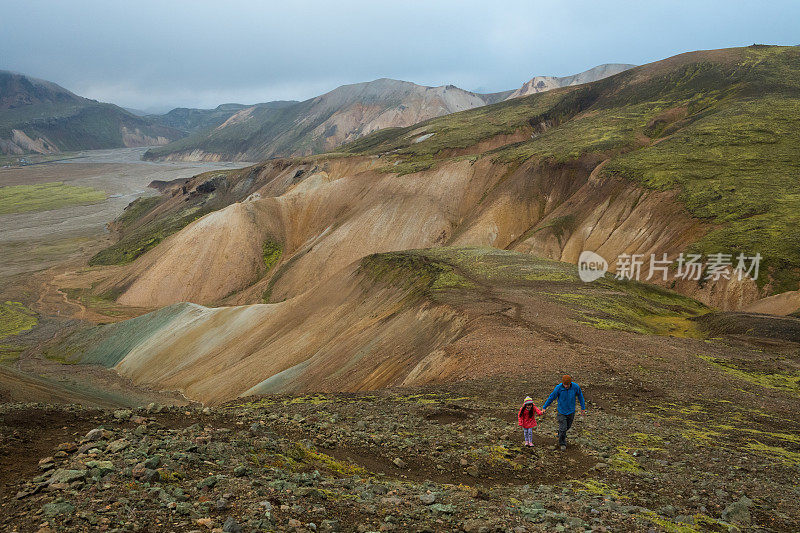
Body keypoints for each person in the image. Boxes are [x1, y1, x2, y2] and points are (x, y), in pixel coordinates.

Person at [542, 374, 586, 450]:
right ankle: (562, 443)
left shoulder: (575, 387)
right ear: (562, 383)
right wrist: (544, 407)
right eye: (564, 385)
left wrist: (583, 407)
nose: (566, 386)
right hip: (561, 411)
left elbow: (580, 396)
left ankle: (560, 433)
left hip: (571, 411)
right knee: (563, 427)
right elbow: (551, 397)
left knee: (567, 427)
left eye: (567, 385)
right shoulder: (558, 388)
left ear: (570, 383)